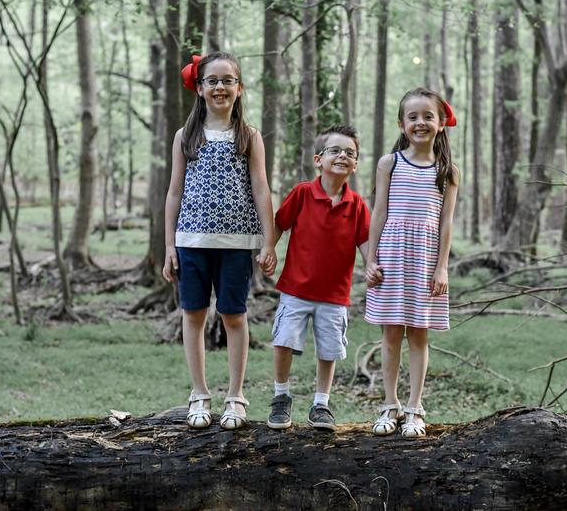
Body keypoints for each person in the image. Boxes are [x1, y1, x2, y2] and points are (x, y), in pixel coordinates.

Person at [162, 52, 277, 431]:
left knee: (233, 314)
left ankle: (235, 396)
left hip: (237, 242)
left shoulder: (249, 136)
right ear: (200, 88)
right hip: (191, 240)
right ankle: (199, 394)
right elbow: (175, 192)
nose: (220, 86)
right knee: (193, 313)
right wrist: (168, 245)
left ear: (239, 88)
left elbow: (260, 188)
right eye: (212, 80)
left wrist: (268, 241)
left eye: (228, 80)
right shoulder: (186, 136)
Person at [364, 87, 460, 438]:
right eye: (413, 117)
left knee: (418, 335)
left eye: (428, 116)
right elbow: (379, 213)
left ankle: (415, 408)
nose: (420, 123)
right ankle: (390, 404)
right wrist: (370, 260)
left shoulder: (448, 170)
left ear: (441, 123)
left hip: (424, 260)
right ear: (401, 123)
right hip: (391, 257)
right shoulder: (389, 163)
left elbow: (446, 222)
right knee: (391, 335)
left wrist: (442, 267)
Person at [265, 124, 371, 432]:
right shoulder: (302, 193)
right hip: (296, 289)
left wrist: (372, 266)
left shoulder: (357, 204)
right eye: (335, 150)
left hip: (335, 294)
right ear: (318, 160)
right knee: (283, 340)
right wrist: (269, 248)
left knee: (329, 349)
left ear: (355, 163)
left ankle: (321, 403)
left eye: (349, 153)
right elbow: (280, 222)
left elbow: (364, 241)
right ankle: (281, 397)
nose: (342, 156)